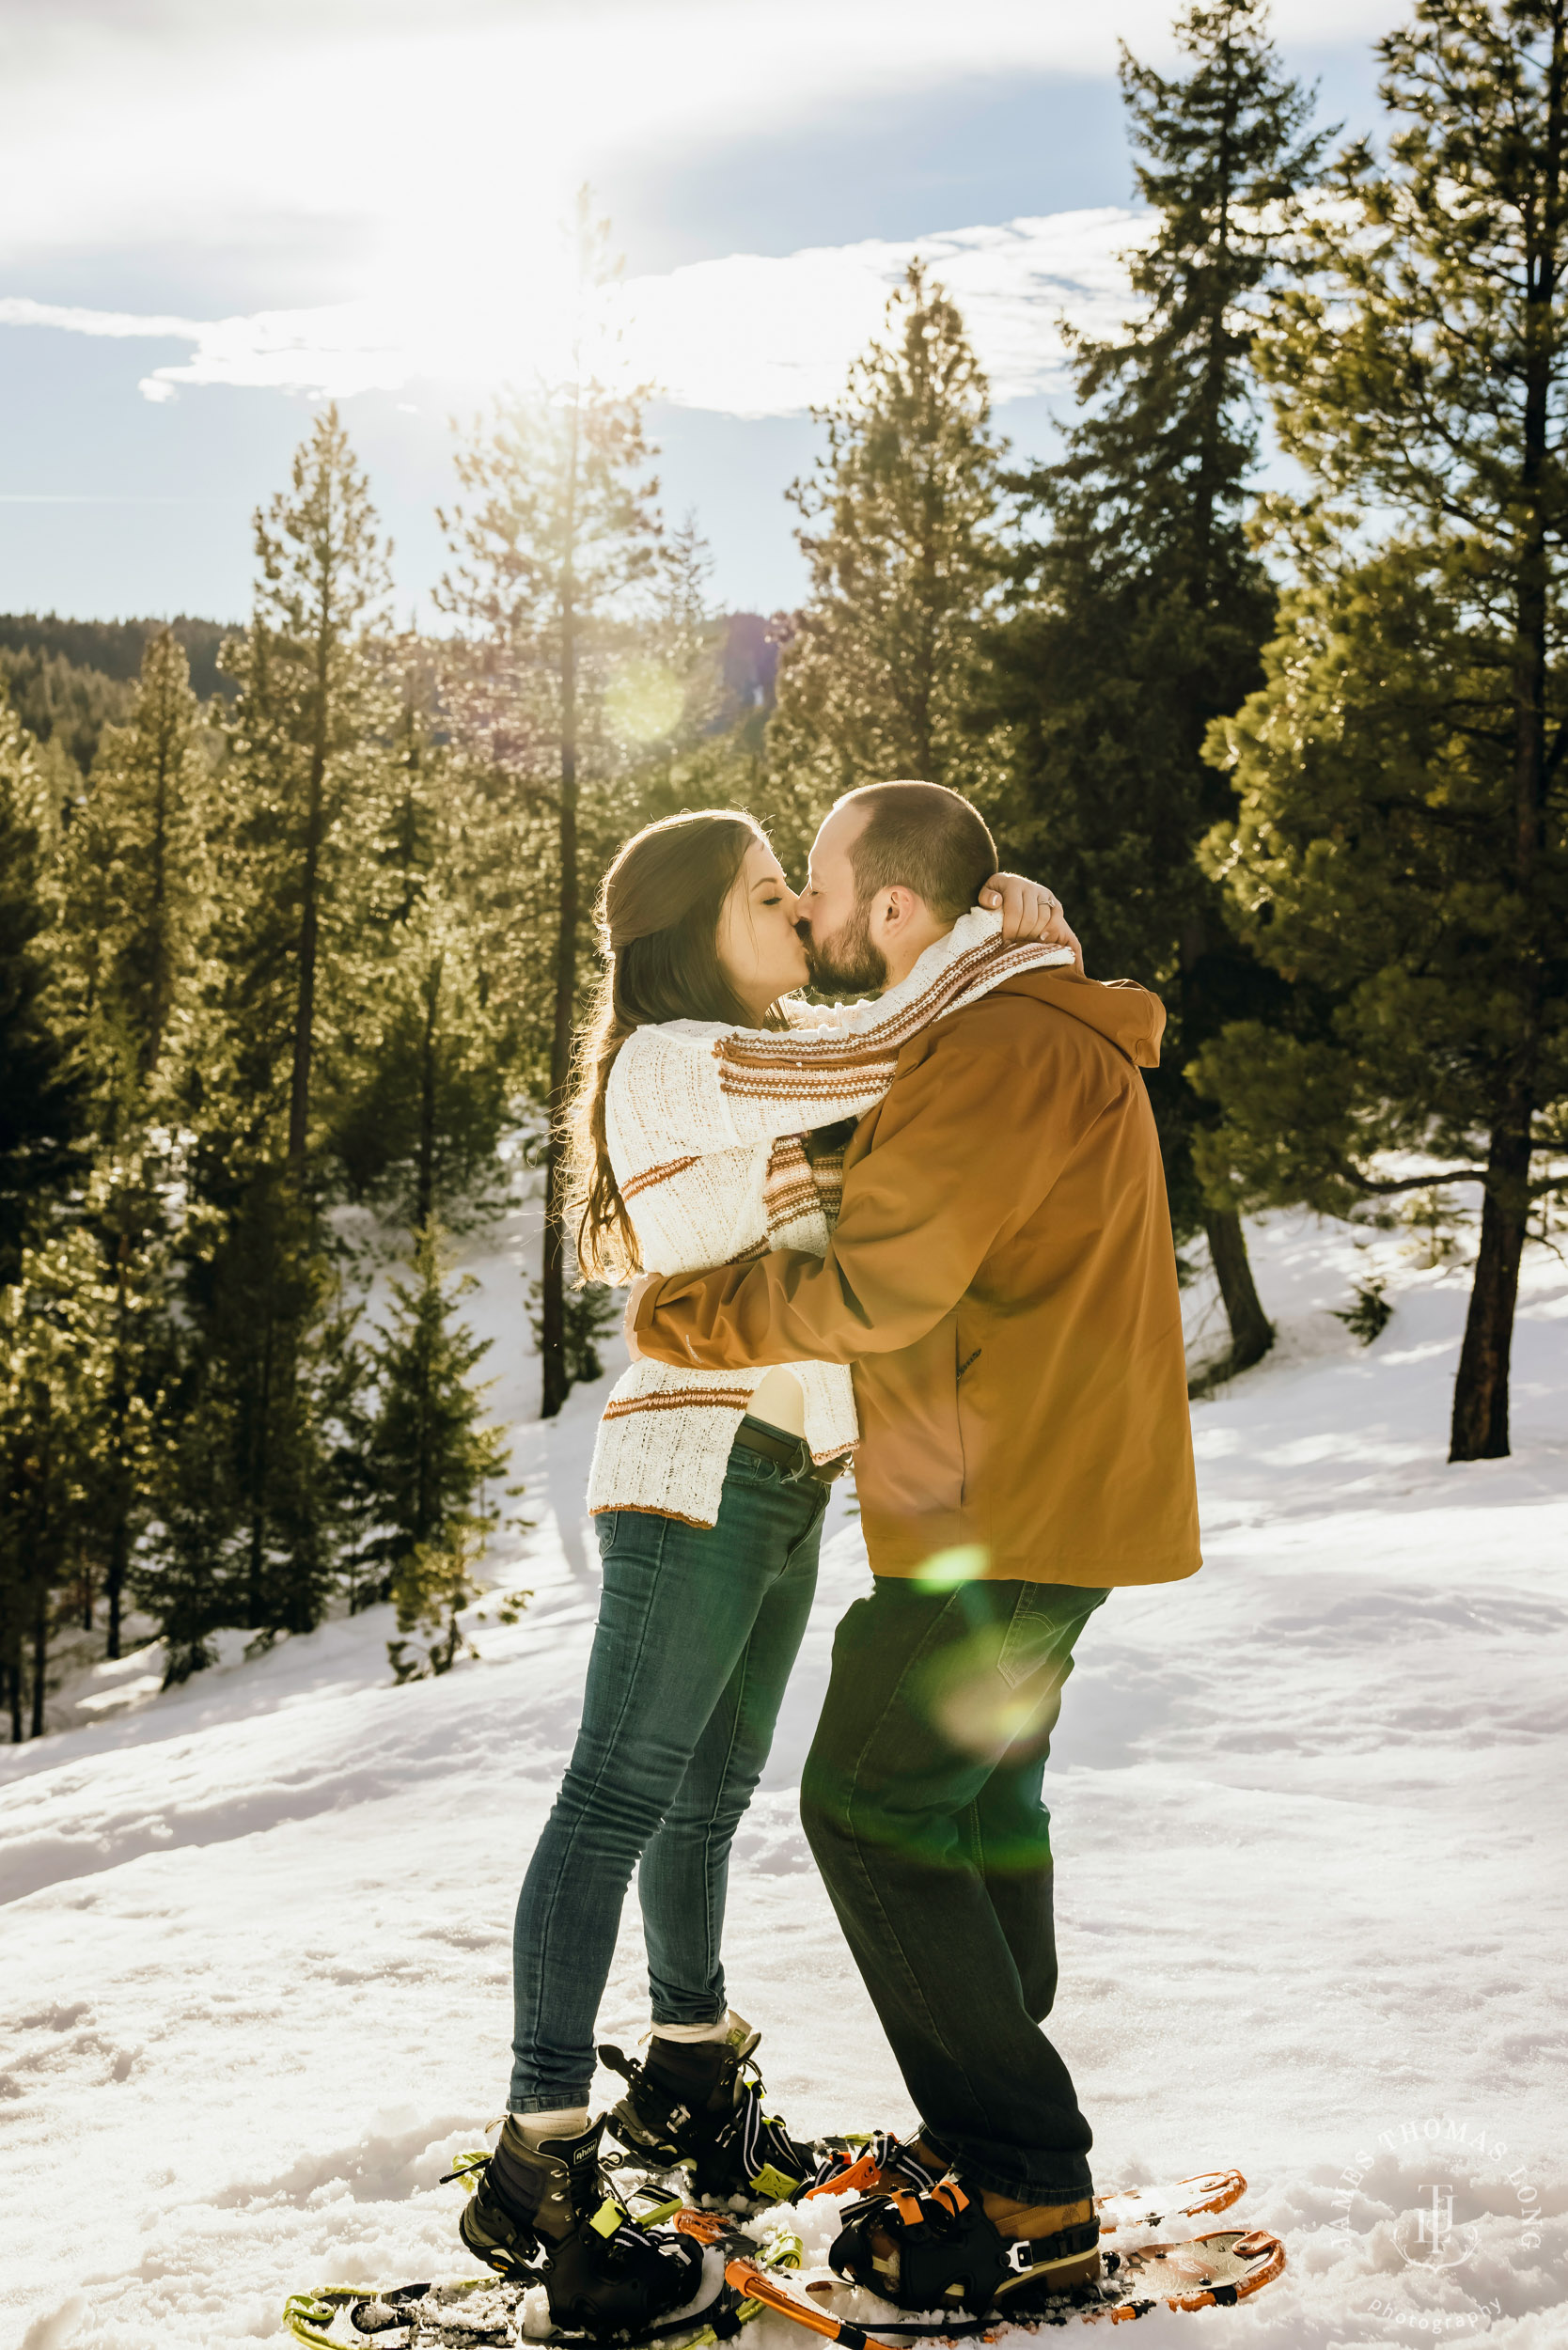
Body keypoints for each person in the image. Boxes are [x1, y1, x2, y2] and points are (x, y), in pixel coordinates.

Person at [460, 805, 1076, 2332]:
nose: (802, 917)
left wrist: (984, 950)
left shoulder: (769, 1037)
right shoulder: (671, 1056)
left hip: (786, 1475)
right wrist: (1012, 939)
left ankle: (687, 2080)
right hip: (691, 1470)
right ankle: (539, 2155)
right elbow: (885, 1052)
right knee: (617, 1790)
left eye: (801, 897)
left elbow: (890, 1047)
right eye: (766, 897)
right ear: (689, 926)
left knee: (713, 1793)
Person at [629, 780, 1203, 2321]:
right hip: (1022, 1496)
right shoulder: (1006, 1025)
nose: (808, 914)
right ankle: (990, 2152)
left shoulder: (1001, 1048)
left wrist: (686, 1315)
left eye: (817, 885)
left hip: (1005, 1504)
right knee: (975, 1810)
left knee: (873, 1808)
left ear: (891, 909)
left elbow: (879, 1282)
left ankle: (1023, 2185)